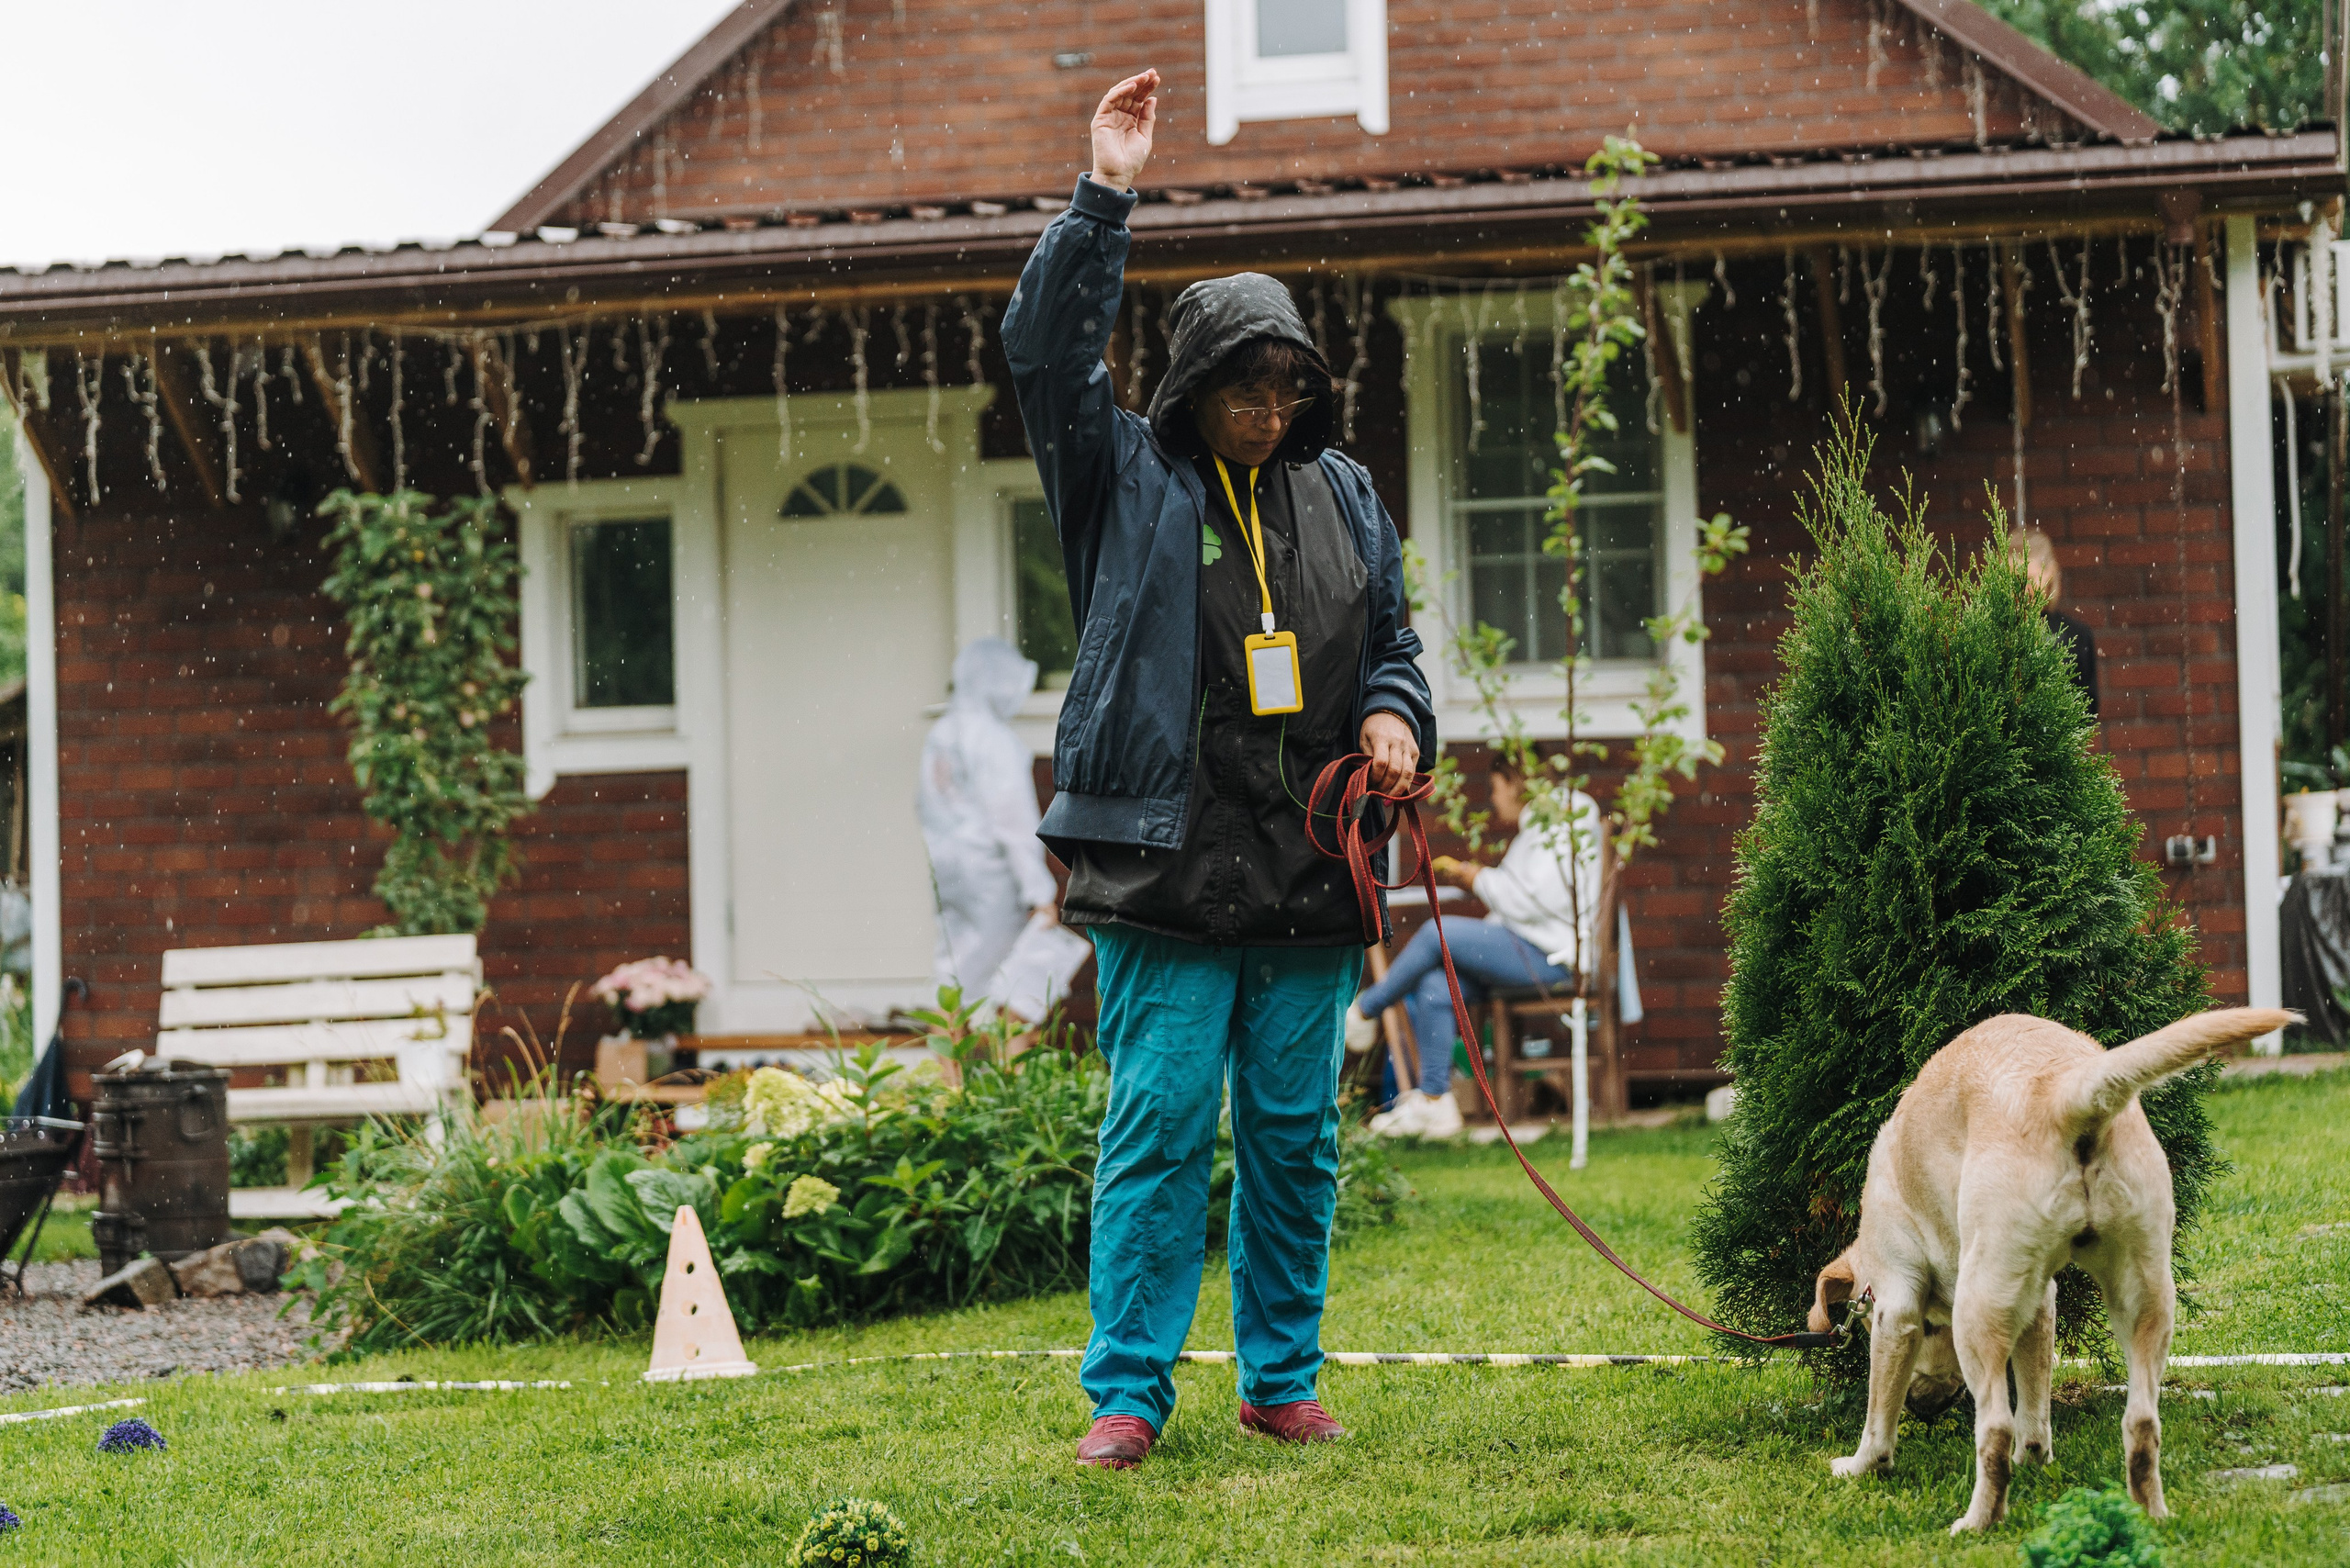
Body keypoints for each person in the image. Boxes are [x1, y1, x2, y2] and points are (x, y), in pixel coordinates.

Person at [1002, 69, 1436, 1472]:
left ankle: (1280, 1374)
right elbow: (1044, 352)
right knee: (1162, 1124)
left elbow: (1393, 643)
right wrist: (1103, 194)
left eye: (1286, 384)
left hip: (1309, 857)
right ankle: (1126, 1394)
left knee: (1299, 1139)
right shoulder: (1119, 479)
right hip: (1163, 853)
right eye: (1244, 386)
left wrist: (1395, 718)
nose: (1267, 407)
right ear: (1194, 387)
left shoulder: (1345, 490)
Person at [1346, 760, 1598, 1137]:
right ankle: (1435, 1103)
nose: (1495, 802)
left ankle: (1366, 1010)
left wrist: (1477, 877)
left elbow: (1534, 902)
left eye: (1496, 789)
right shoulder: (1542, 827)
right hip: (1528, 949)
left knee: (1437, 933)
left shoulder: (1561, 823)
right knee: (1435, 983)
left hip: (1551, 957)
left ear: (1517, 783)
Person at [918, 638, 1059, 999]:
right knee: (1016, 976)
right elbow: (1013, 822)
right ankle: (1008, 1054)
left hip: (949, 867)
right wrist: (1040, 894)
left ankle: (946, 1055)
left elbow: (928, 805)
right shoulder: (994, 739)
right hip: (991, 872)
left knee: (954, 967)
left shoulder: (941, 733)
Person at [2008, 526, 2098, 719]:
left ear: (2050, 573)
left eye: (2029, 580)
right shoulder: (1990, 632)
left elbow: (2088, 710)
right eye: (2014, 581)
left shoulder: (2076, 636)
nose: (2022, 590)